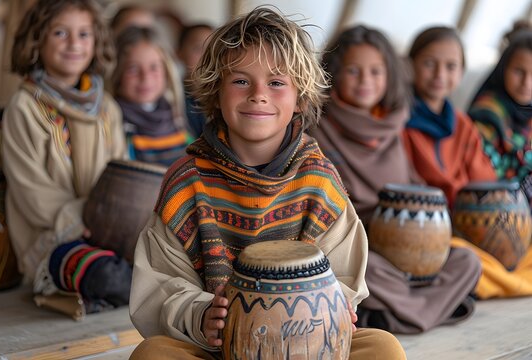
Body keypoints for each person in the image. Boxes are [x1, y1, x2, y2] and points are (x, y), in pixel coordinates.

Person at [129, 7, 406, 359]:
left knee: (383, 347)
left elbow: (345, 276)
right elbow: (159, 287)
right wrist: (201, 315)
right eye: (241, 80)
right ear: (216, 92)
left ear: (300, 99)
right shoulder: (187, 183)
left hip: (308, 346)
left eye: (276, 83)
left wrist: (335, 305)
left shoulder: (319, 181)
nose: (258, 94)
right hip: (219, 349)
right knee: (152, 354)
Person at [311, 25, 481, 334]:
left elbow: (416, 187)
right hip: (363, 247)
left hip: (411, 245)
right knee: (365, 271)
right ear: (333, 72)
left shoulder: (395, 126)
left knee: (468, 261)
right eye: (353, 71)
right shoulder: (319, 127)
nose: (366, 81)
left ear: (390, 75)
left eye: (376, 71)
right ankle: (427, 309)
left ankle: (395, 315)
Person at [3, 0, 131, 316]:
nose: (74, 43)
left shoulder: (108, 109)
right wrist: (85, 219)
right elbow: (31, 191)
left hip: (104, 233)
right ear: (37, 40)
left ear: (96, 42)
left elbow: (119, 177)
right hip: (52, 241)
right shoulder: (25, 107)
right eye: (60, 32)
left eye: (84, 34)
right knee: (110, 277)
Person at [461, 30, 532, 299]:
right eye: (518, 71)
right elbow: (487, 179)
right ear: (503, 70)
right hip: (491, 222)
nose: (527, 82)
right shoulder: (487, 116)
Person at [403, 26, 497, 209]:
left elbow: (484, 180)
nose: (440, 74)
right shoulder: (399, 122)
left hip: (464, 215)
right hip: (417, 216)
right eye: (429, 63)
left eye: (451, 66)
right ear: (410, 65)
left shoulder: (463, 125)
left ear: (462, 72)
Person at [112, 26, 193, 166]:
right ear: (118, 73)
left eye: (154, 67)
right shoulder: (112, 122)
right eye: (133, 68)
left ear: (166, 70)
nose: (145, 78)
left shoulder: (177, 118)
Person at [177, 23, 214, 138]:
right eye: (198, 48)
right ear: (179, 53)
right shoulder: (172, 98)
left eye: (212, 49)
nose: (207, 56)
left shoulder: (223, 95)